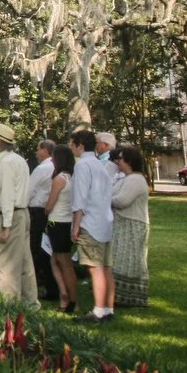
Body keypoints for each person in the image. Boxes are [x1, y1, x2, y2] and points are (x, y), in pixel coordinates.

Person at [0, 123, 40, 311]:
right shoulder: (18, 160)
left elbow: (8, 195)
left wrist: (6, 226)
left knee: (3, 262)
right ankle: (30, 303)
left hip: (11, 215)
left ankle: (10, 306)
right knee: (25, 261)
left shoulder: (6, 163)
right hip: (22, 214)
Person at [70, 129, 117, 323]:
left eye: (73, 143)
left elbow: (79, 199)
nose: (71, 147)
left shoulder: (82, 166)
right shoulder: (100, 165)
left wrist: (75, 225)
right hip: (105, 220)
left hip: (90, 222)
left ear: (80, 145)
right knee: (105, 268)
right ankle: (108, 309)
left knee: (95, 268)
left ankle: (98, 311)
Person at [111, 145, 151, 307]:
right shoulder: (127, 179)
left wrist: (104, 198)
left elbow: (122, 201)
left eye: (120, 159)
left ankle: (131, 298)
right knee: (120, 259)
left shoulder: (136, 179)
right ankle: (119, 295)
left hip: (133, 224)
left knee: (130, 261)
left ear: (129, 161)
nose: (117, 162)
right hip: (123, 223)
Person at [45, 144, 79, 313]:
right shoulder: (71, 176)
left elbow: (50, 204)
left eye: (54, 157)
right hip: (66, 222)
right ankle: (65, 295)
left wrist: (45, 209)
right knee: (56, 261)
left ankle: (71, 300)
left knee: (64, 263)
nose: (51, 159)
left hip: (57, 222)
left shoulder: (59, 179)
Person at [28, 139, 60, 301]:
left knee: (37, 248)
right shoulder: (56, 167)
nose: (35, 152)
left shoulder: (42, 168)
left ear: (46, 150)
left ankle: (40, 283)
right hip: (52, 210)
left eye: (38, 149)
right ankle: (51, 284)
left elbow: (28, 190)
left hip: (38, 211)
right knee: (49, 249)